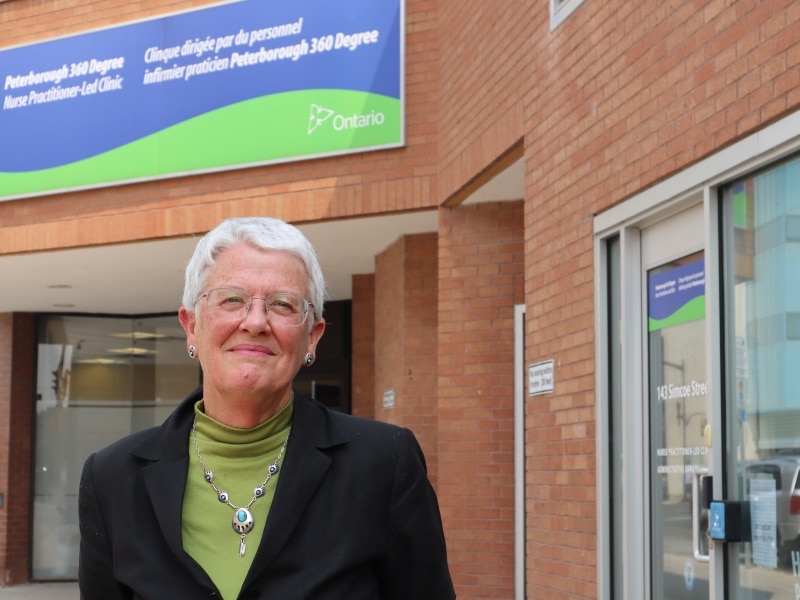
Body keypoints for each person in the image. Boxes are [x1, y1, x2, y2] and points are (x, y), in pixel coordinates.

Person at [78, 216, 456, 599]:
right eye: (232, 299)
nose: (256, 322)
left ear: (312, 337)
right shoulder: (112, 478)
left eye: (282, 304)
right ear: (191, 326)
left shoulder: (384, 464)